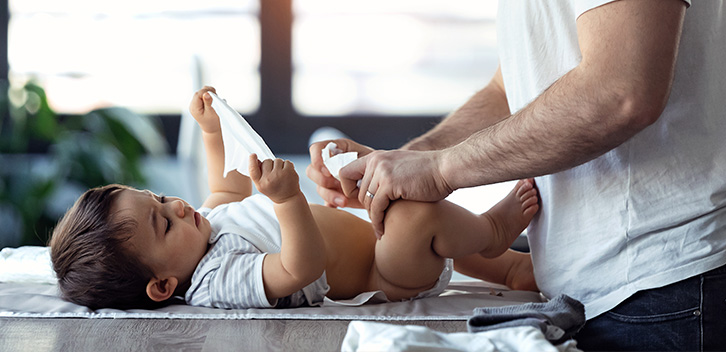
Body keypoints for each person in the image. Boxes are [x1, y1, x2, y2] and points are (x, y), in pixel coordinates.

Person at [306, 0, 726, 350]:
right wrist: (400, 165)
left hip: (678, 290)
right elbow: (514, 87)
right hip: (602, 297)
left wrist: (440, 170)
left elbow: (622, 89)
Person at [48, 87, 539, 310]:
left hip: (374, 238)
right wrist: (287, 201)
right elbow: (297, 269)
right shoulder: (215, 280)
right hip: (387, 273)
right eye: (163, 223)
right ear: (161, 285)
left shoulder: (205, 227)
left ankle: (511, 270)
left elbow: (227, 187)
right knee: (411, 216)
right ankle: (494, 232)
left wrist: (213, 132)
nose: (177, 206)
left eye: (158, 198)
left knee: (391, 201)